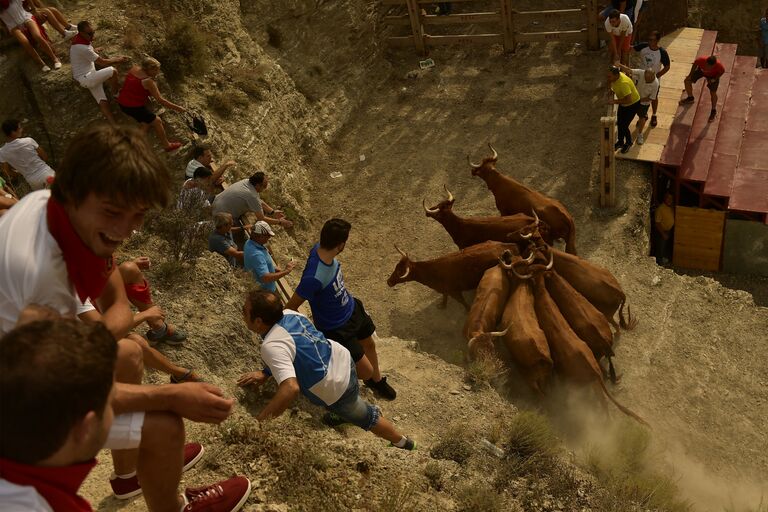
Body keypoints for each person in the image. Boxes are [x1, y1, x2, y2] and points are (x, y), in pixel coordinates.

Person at [0, 124, 251, 510]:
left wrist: (113, 321)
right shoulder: (35, 275)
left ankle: (131, 478)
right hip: (19, 421)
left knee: (142, 378)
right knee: (159, 409)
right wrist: (169, 394)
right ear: (73, 191)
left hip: (30, 381)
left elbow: (110, 280)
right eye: (113, 212)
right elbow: (58, 392)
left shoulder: (51, 206)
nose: (124, 230)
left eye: (138, 215)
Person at [237, 290, 415, 448]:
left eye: (244, 312)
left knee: (367, 417)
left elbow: (290, 388)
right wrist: (267, 372)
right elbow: (296, 347)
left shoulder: (270, 345)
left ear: (259, 321)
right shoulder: (290, 314)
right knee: (351, 405)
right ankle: (345, 415)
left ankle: (402, 442)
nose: (242, 314)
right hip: (343, 359)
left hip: (336, 387)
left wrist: (258, 424)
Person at [285, 218, 397, 400]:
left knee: (370, 344)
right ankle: (345, 394)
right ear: (340, 245)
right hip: (336, 328)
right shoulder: (313, 277)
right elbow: (290, 307)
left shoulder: (320, 250)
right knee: (363, 371)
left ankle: (377, 381)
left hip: (351, 308)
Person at [117, 56, 185, 152]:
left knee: (146, 122)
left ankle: (133, 144)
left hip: (122, 102)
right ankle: (167, 145)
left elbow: (135, 86)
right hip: (132, 107)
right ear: (150, 69)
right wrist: (178, 108)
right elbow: (161, 100)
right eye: (156, 70)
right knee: (157, 121)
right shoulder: (148, 81)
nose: (157, 72)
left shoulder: (134, 69)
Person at [70, 20, 129, 123]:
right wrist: (117, 59)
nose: (92, 35)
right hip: (87, 78)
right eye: (89, 33)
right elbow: (103, 62)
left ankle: (115, 126)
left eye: (93, 32)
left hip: (87, 77)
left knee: (102, 101)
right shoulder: (83, 48)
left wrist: (94, 51)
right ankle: (116, 94)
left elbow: (85, 52)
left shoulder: (79, 40)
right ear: (81, 33)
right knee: (112, 71)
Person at [211, 171, 293, 230]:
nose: (265, 188)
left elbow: (258, 200)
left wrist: (272, 212)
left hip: (213, 204)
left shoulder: (246, 182)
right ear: (258, 185)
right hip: (219, 218)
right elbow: (261, 218)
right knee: (241, 234)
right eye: (264, 186)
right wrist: (280, 222)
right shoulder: (252, 196)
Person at [0, 0, 60, 72]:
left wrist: (33, 9)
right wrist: (5, 28)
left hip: (25, 17)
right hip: (12, 26)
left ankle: (55, 58)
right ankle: (41, 64)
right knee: (25, 42)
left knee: (37, 35)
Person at [0, 118, 55, 190]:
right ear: (13, 132)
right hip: (46, 172)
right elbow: (44, 156)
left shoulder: (2, 151)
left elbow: (6, 171)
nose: (21, 129)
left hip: (32, 180)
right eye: (19, 128)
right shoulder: (28, 141)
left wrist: (19, 172)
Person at [244, 221, 296, 293]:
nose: (269, 238)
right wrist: (286, 271)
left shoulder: (249, 243)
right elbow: (265, 278)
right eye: (267, 236)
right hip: (265, 293)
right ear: (259, 236)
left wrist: (272, 268)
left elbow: (257, 265)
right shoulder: (257, 254)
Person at [632, 30, 670, 127]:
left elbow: (667, 66)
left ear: (657, 40)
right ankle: (643, 116)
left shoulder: (662, 52)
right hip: (641, 78)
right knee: (640, 96)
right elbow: (631, 49)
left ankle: (654, 115)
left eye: (652, 40)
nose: (649, 41)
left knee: (654, 97)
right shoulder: (644, 46)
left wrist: (657, 76)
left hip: (653, 80)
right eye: (649, 39)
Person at [616, 63, 659, 145]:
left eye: (648, 79)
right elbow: (629, 70)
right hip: (635, 98)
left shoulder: (655, 84)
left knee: (642, 117)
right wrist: (619, 65)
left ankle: (640, 134)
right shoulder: (641, 72)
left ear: (653, 77)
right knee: (627, 113)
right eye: (645, 78)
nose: (646, 80)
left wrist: (638, 100)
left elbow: (651, 98)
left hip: (643, 102)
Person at [679, 54, 725, 122]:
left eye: (710, 67)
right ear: (706, 61)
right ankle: (690, 98)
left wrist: (714, 79)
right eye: (707, 65)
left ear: (714, 65)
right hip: (701, 72)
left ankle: (713, 110)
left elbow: (722, 72)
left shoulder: (719, 66)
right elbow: (695, 64)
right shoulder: (700, 60)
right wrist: (690, 75)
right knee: (687, 81)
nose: (708, 68)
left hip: (713, 76)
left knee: (713, 92)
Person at [607, 65, 641, 153]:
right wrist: (612, 90)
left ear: (616, 75)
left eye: (610, 76)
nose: (608, 78)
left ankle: (629, 142)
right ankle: (620, 142)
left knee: (624, 125)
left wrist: (614, 101)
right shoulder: (616, 77)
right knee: (620, 123)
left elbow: (628, 99)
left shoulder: (623, 83)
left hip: (632, 105)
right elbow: (613, 85)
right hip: (624, 104)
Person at [654, 192, 674, 265]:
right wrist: (663, 234)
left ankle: (662, 259)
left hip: (668, 231)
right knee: (660, 248)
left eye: (671, 198)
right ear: (664, 198)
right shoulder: (660, 208)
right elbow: (657, 223)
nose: (670, 200)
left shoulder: (670, 207)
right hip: (661, 231)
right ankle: (659, 263)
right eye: (668, 198)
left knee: (664, 246)